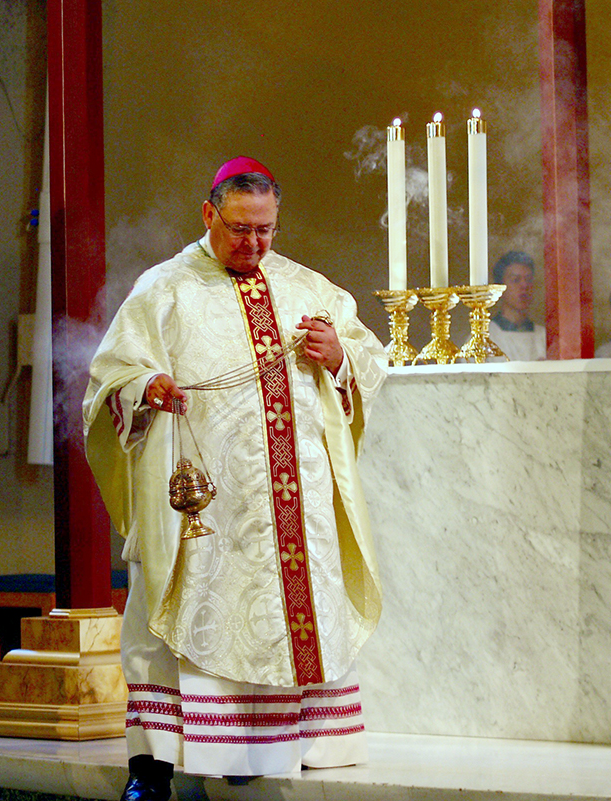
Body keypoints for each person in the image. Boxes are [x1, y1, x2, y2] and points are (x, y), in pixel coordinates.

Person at [83, 157, 386, 801]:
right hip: (205, 503)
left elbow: (367, 358)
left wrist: (339, 357)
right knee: (177, 610)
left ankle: (274, 750)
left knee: (286, 613)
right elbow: (109, 377)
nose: (253, 244)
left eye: (266, 231)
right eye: (240, 228)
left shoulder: (309, 289)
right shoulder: (163, 290)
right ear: (208, 214)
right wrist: (144, 387)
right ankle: (154, 765)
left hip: (292, 503)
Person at [490, 250, 546, 361]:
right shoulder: (487, 338)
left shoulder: (544, 337)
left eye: (529, 280)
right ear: (500, 287)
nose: (524, 285)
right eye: (515, 280)